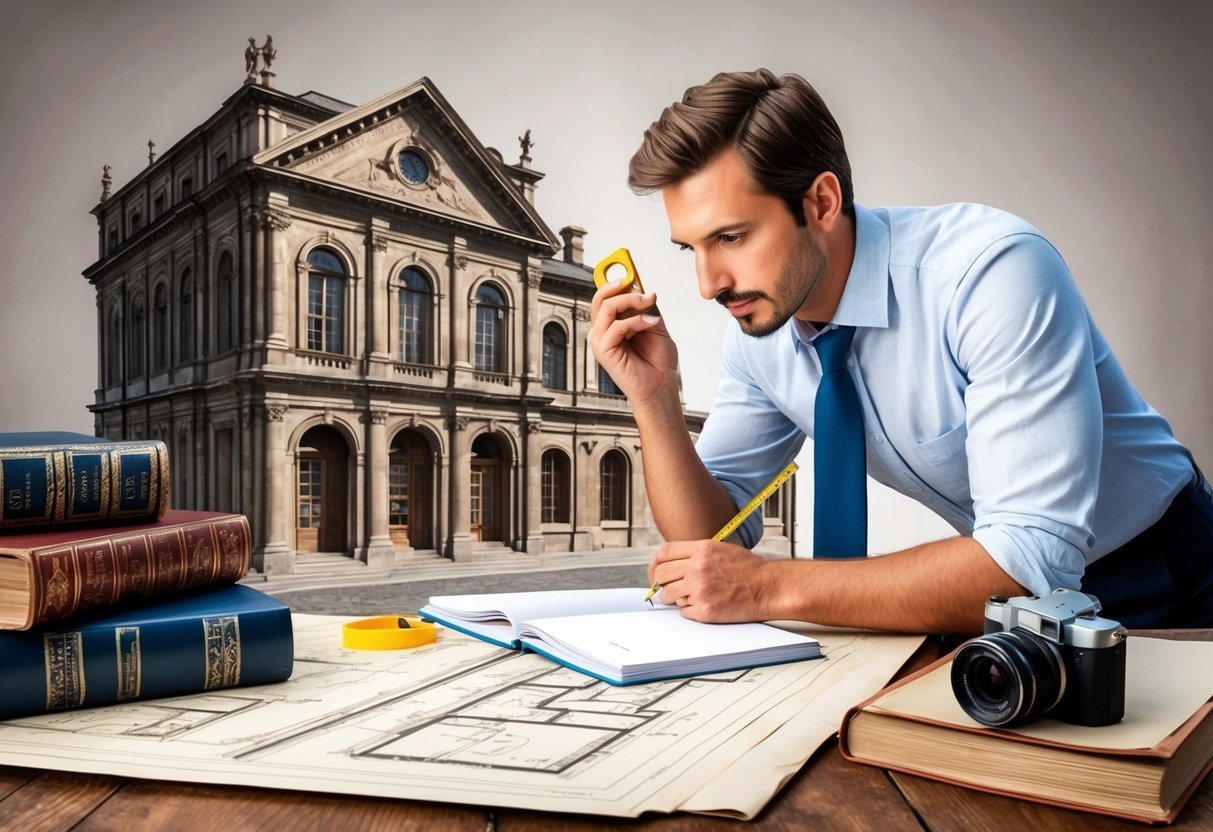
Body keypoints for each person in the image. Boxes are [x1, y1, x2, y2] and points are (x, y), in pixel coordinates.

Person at [590, 68, 1212, 635]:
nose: (708, 284)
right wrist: (654, 399)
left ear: (822, 203)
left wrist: (765, 584)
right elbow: (711, 539)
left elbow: (1032, 562)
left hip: (1163, 571)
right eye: (690, 248)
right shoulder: (760, 332)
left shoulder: (990, 275)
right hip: (1002, 602)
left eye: (731, 237)